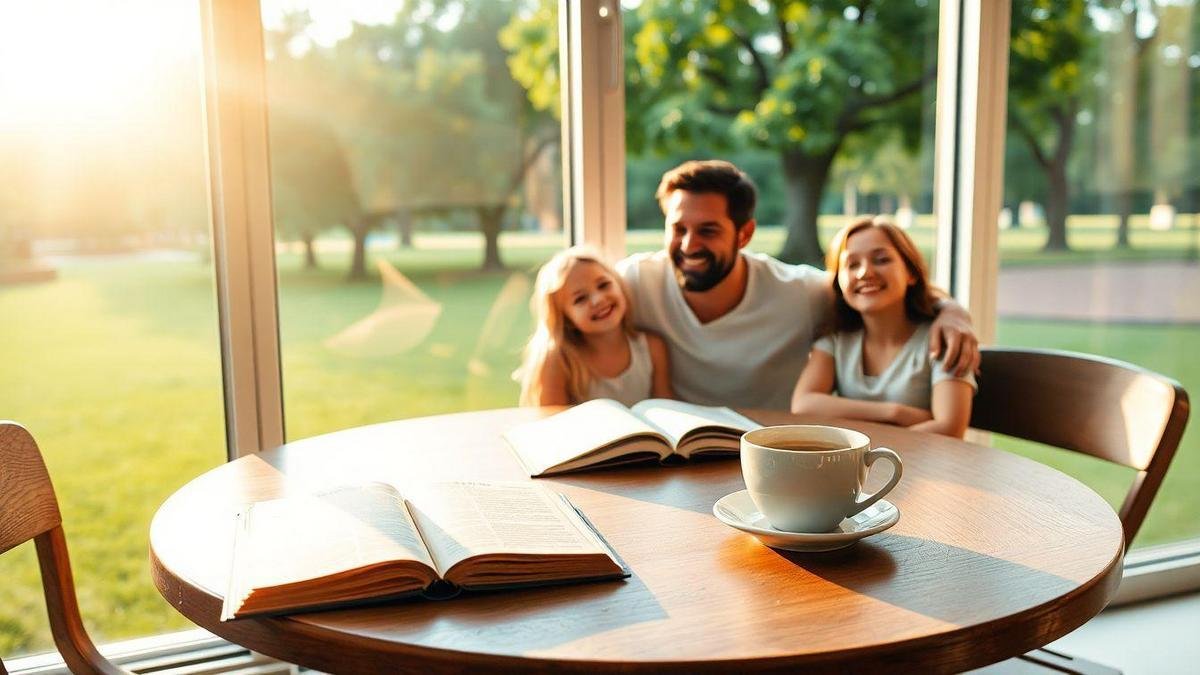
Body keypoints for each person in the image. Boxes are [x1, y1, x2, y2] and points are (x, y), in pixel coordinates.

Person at [617, 159, 978, 409]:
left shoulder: (799, 293)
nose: (688, 245)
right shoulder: (637, 282)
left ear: (744, 234)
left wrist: (951, 311)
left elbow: (871, 289)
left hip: (773, 457)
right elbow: (569, 300)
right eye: (678, 229)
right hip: (675, 456)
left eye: (707, 230)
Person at [790, 217, 976, 437]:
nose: (865, 273)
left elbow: (949, 428)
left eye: (881, 259)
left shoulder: (944, 338)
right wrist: (894, 413)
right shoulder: (837, 338)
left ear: (911, 273)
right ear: (838, 280)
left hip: (930, 468)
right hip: (864, 467)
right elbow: (803, 404)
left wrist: (867, 450)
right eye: (852, 264)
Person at [519, 246, 674, 406]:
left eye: (603, 285)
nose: (598, 299)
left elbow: (666, 410)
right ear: (566, 320)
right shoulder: (559, 361)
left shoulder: (653, 348)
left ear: (619, 284)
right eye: (580, 299)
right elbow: (549, 422)